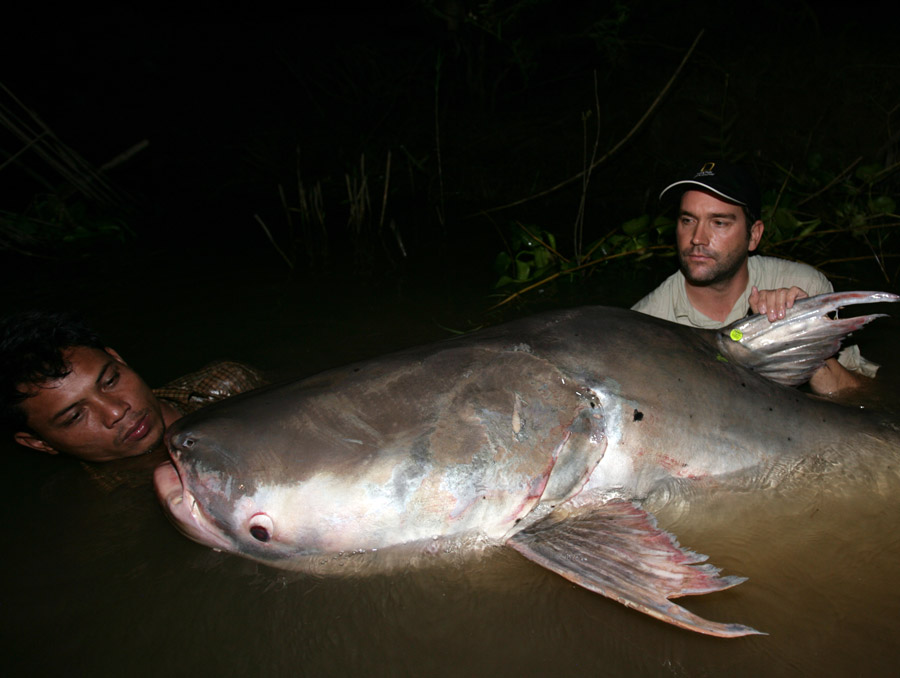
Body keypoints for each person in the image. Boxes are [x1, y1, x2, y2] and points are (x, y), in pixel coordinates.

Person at [631, 161, 877, 395]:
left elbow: (867, 398)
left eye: (718, 223)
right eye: (688, 220)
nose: (697, 238)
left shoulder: (806, 287)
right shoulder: (643, 326)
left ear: (754, 235)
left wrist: (799, 337)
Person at [0, 310, 265, 463]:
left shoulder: (231, 385)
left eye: (110, 380)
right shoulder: (108, 513)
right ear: (38, 443)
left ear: (117, 359)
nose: (116, 411)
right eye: (75, 416)